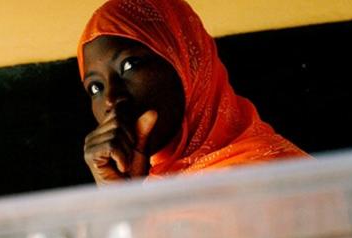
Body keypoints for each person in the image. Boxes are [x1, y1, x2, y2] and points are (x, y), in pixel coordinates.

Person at [79, 0, 308, 185]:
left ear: (187, 64)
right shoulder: (155, 186)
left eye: (129, 65)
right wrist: (121, 197)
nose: (110, 98)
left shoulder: (272, 178)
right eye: (96, 88)